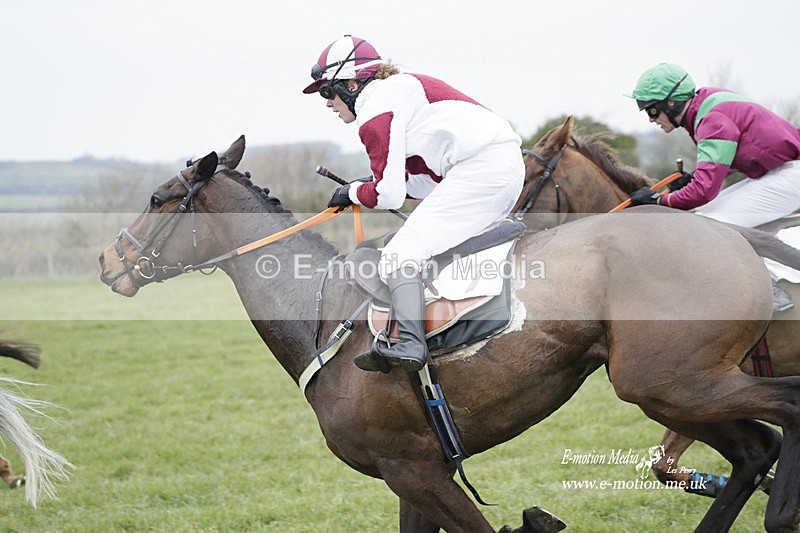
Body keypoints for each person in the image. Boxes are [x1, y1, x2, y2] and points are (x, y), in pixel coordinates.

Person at [303, 34, 524, 372]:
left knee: (398, 255)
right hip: (496, 168)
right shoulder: (396, 93)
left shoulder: (375, 109)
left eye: (326, 92)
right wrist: (366, 186)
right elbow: (422, 183)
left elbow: (388, 195)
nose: (327, 103)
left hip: (482, 170)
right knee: (413, 245)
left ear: (350, 82)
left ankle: (409, 343)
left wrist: (351, 193)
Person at [627, 62, 800, 312]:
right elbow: (736, 155)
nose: (651, 119)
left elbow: (704, 191)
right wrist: (693, 177)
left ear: (672, 103)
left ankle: (771, 291)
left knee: (712, 225)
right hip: (778, 170)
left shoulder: (711, 119)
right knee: (702, 217)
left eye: (652, 110)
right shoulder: (704, 104)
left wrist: (657, 201)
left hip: (790, 173)